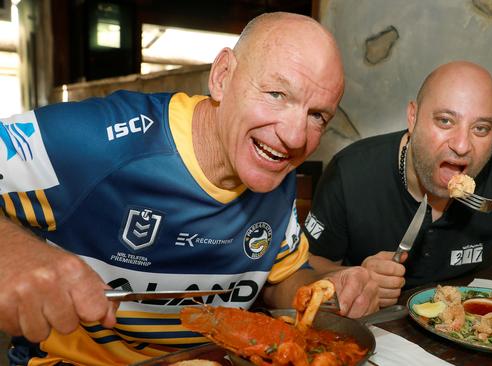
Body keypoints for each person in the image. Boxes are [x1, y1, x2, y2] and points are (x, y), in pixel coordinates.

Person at [0, 12, 379, 365]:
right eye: (276, 95)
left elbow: (279, 282)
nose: (295, 137)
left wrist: (326, 288)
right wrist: (14, 252)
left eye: (317, 116)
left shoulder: (272, 168)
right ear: (222, 76)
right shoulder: (96, 142)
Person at [304, 61, 492, 308]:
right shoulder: (351, 172)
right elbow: (309, 263)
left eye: (481, 129)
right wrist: (355, 278)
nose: (462, 146)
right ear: (413, 117)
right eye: (445, 121)